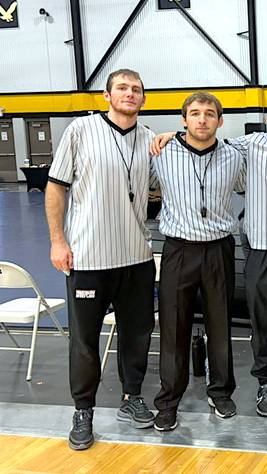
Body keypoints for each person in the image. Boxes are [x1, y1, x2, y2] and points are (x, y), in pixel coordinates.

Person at [152, 91, 267, 418]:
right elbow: (203, 140)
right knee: (263, 323)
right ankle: (265, 382)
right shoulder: (248, 146)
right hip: (263, 249)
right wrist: (173, 136)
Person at [45, 69, 157, 450]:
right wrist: (58, 240)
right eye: (122, 88)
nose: (130, 94)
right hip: (88, 256)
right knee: (84, 340)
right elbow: (56, 187)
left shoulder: (149, 140)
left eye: (136, 90)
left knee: (137, 334)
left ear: (143, 99)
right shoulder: (81, 130)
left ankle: (132, 397)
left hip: (136, 257)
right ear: (107, 96)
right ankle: (83, 410)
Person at [148, 92, 245, 431]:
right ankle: (168, 400)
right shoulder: (160, 153)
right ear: (183, 120)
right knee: (173, 326)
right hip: (178, 249)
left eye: (209, 113)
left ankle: (220, 391)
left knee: (220, 324)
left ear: (220, 120)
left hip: (219, 249)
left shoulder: (236, 156)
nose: (202, 119)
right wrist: (165, 137)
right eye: (195, 113)